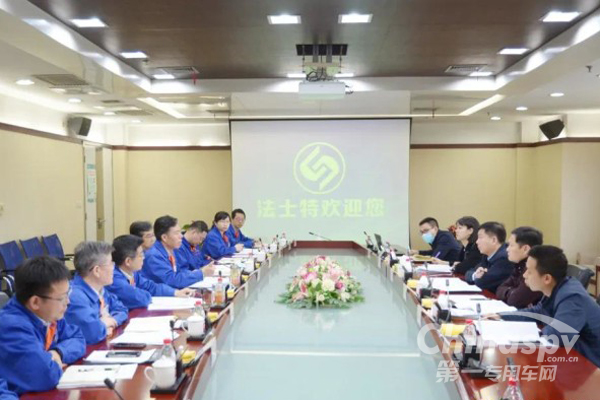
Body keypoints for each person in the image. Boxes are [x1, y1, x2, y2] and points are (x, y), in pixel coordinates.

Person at [495, 246, 600, 368]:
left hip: (591, 366)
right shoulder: (556, 288)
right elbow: (537, 312)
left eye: (529, 271)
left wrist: (532, 333)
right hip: (573, 358)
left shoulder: (572, 297)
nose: (524, 275)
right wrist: (502, 316)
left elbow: (558, 335)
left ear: (547, 278)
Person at [0, 256, 86, 395]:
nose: (68, 302)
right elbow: (46, 375)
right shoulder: (12, 327)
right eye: (62, 297)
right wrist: (52, 364)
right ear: (35, 302)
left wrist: (59, 352)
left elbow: (78, 337)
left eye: (68, 294)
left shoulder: (47, 314)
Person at [106, 235, 195, 310]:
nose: (143, 257)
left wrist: (175, 292)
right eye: (140, 255)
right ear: (128, 261)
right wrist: (144, 293)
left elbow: (150, 286)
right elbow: (139, 299)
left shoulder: (132, 272)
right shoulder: (114, 279)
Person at [65, 241, 129, 344]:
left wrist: (112, 321)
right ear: (97, 271)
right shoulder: (75, 296)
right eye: (111, 263)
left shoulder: (100, 289)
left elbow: (122, 309)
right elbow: (93, 333)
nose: (114, 268)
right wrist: (103, 325)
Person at [142, 215, 209, 289]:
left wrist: (194, 273)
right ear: (164, 237)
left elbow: (179, 271)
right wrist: (201, 273)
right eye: (176, 233)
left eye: (180, 232)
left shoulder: (170, 249)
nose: (181, 236)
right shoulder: (154, 255)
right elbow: (172, 281)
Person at [496, 227, 544, 308]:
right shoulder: (519, 265)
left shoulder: (536, 269)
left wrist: (510, 292)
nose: (507, 249)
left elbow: (515, 301)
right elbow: (499, 289)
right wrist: (512, 292)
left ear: (525, 249)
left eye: (511, 245)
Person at [465, 221, 514, 292]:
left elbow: (483, 282)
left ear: (493, 240)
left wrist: (479, 277)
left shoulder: (504, 258)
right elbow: (468, 272)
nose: (477, 242)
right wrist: (475, 275)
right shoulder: (487, 255)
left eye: (480, 237)